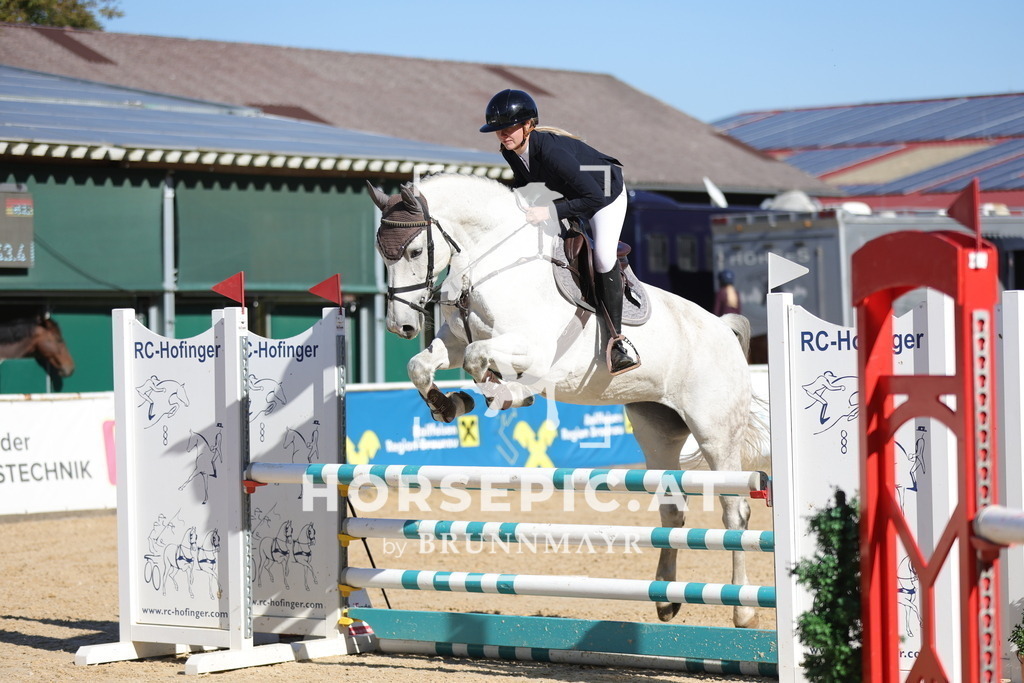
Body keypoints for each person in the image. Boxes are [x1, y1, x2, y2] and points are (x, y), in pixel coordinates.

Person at [479, 89, 639, 375]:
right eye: (498, 130)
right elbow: (526, 185)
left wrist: (550, 211)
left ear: (528, 125)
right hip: (572, 193)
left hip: (604, 193)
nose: (503, 135)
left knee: (603, 256)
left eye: (509, 128)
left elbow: (593, 198)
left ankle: (617, 342)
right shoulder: (510, 151)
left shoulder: (551, 151)